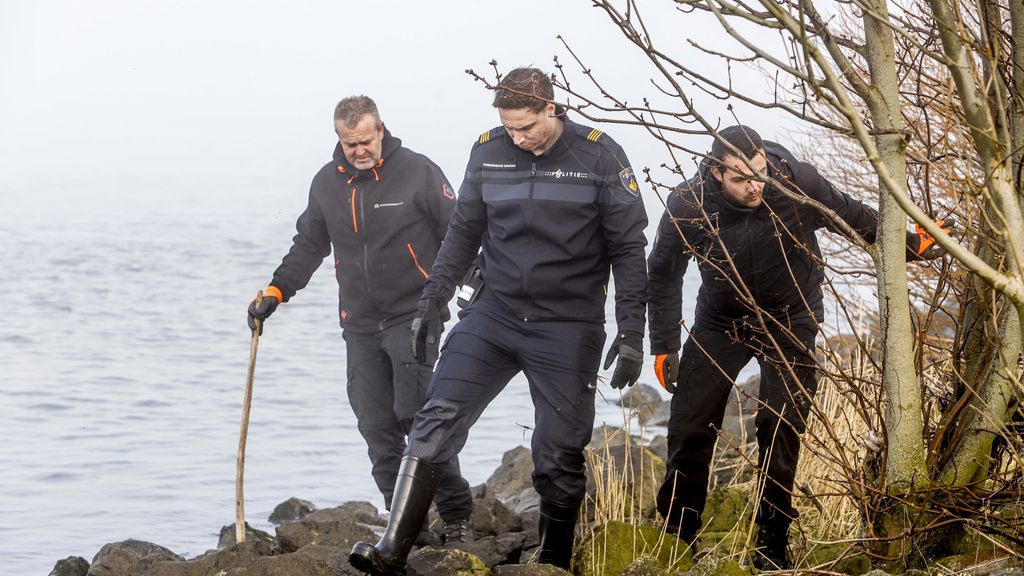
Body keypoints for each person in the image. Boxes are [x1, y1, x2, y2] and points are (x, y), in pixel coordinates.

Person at [348, 68, 649, 575]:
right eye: (509, 127)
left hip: (568, 323)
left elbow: (629, 247)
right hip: (494, 314)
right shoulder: (488, 151)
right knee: (435, 418)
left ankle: (552, 559)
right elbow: (462, 233)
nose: (518, 137)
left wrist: (633, 330)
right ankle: (390, 551)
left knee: (557, 450)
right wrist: (430, 304)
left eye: (527, 126)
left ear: (552, 108)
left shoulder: (599, 154)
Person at [647, 125, 951, 569]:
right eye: (740, 179)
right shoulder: (687, 204)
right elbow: (663, 272)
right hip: (721, 322)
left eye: (759, 173)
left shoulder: (795, 182)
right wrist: (663, 345)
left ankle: (771, 541)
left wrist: (912, 245)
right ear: (715, 174)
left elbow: (855, 219)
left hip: (790, 319)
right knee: (690, 426)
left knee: (780, 424)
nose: (755, 186)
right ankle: (678, 536)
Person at [246, 96, 474, 547]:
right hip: (359, 324)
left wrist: (474, 287)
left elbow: (460, 233)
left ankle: (457, 516)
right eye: (350, 143)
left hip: (416, 314)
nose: (359, 150)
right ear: (339, 139)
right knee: (375, 426)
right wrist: (276, 291)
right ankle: (405, 526)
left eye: (366, 141)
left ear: (381, 130)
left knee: (419, 420)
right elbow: (310, 245)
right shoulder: (327, 184)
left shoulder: (417, 170)